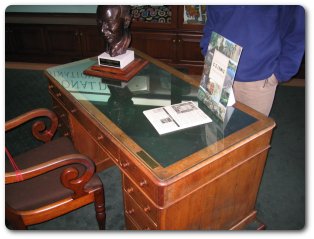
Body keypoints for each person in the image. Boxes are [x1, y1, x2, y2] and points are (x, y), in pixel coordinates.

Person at [200, 6, 305, 116]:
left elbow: (297, 28)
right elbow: (212, 18)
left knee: (251, 130)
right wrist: (207, 49)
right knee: (213, 127)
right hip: (218, 64)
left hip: (257, 76)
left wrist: (279, 73)